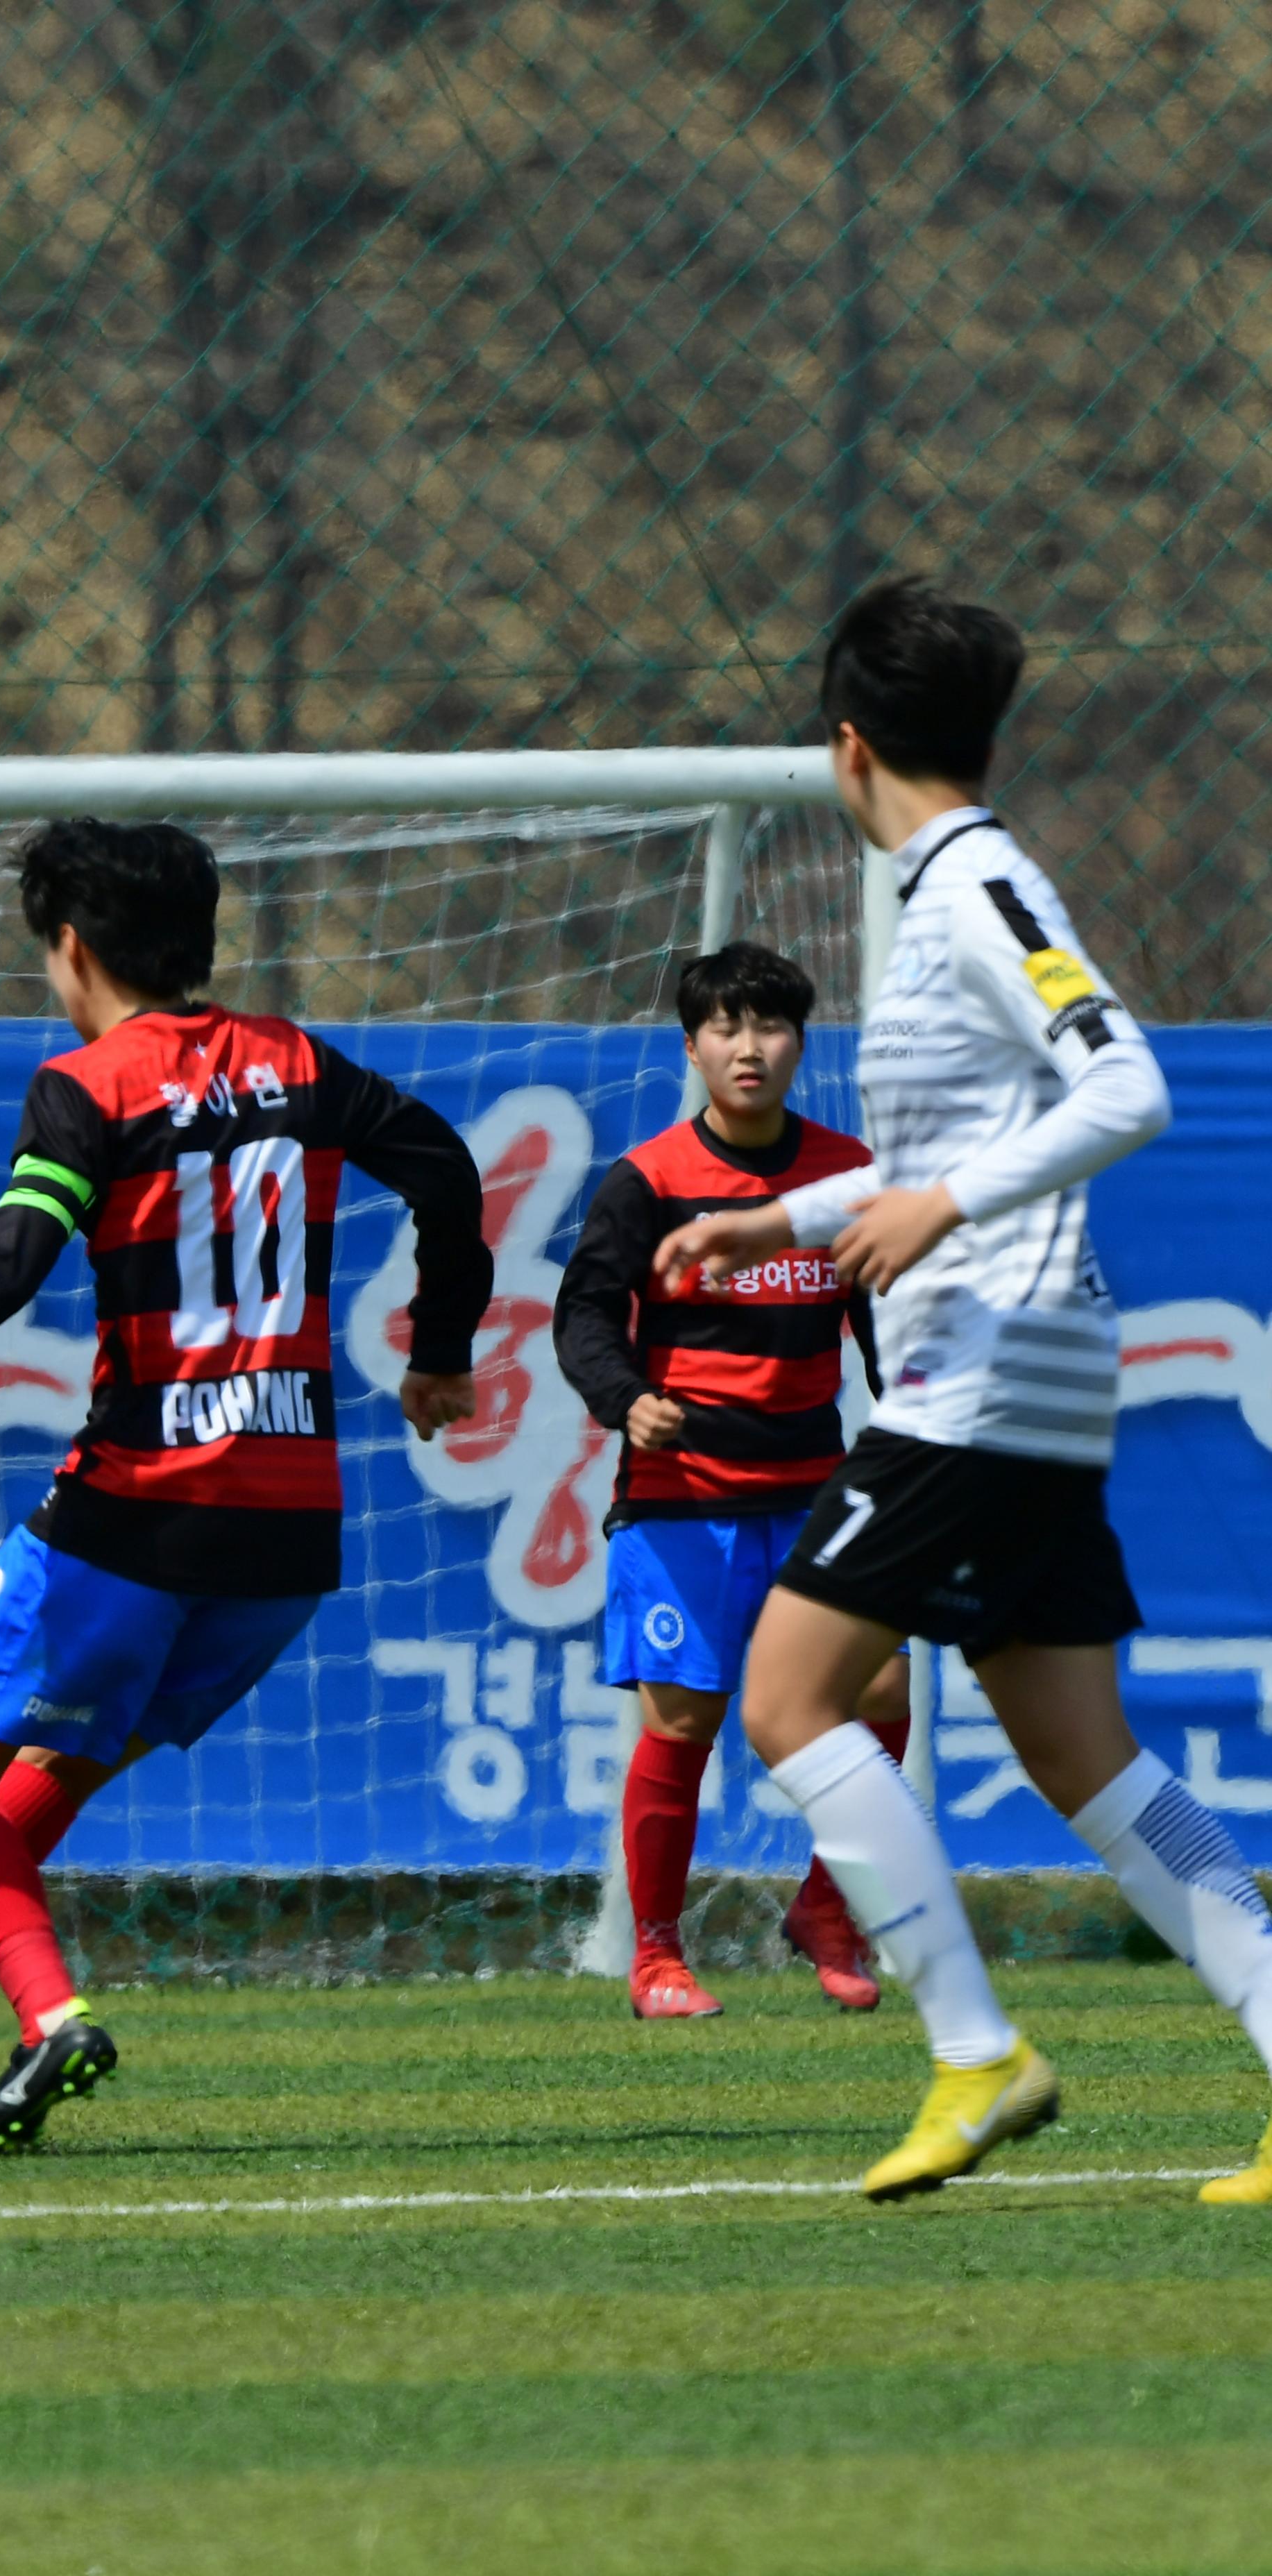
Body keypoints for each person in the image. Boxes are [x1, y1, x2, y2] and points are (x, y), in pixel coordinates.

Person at [0, 818, 491, 2153]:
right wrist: (442, 1351)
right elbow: (448, 1174)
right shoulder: (302, 1064)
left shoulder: (90, 1088)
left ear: (70, 949)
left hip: (143, 1501)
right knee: (53, 1765)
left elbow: (0, 1275)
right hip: (290, 1526)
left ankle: (50, 2013)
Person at [656, 578, 1272, 2204]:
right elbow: (927, 1163)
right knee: (1085, 1753)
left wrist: (946, 1207)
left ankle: (977, 2049)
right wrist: (771, 1219)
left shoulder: (977, 884)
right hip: (1027, 1379)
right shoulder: (947, 889)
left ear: (847, 748)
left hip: (982, 1377)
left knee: (787, 1697)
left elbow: (1125, 1081)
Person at [554, 941, 913, 2018]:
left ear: (802, 1043)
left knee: (883, 1694)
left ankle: (826, 1908)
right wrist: (626, 1399)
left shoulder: (850, 1173)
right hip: (683, 1499)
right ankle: (656, 1956)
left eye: (769, 1027)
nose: (748, 1048)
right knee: (683, 1725)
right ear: (693, 1046)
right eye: (726, 1029)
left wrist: (914, 1437)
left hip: (814, 1490)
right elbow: (581, 1314)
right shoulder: (650, 1180)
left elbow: (886, 1320)